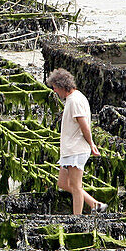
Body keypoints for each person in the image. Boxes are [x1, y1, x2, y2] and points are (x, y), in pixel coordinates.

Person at [45, 68, 107, 215]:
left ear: (61, 86)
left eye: (54, 88)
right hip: (69, 150)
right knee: (63, 183)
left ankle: (77, 218)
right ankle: (95, 204)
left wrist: (91, 144)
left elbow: (84, 125)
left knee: (76, 186)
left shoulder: (74, 101)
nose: (54, 91)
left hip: (76, 149)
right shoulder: (74, 97)